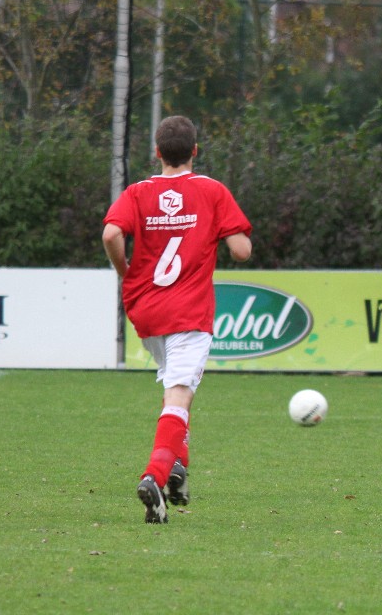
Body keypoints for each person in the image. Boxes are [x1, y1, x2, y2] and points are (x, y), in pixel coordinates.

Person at [102, 116, 252, 524]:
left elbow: (111, 234)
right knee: (179, 395)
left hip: (146, 308)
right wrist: (220, 231)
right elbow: (241, 251)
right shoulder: (212, 191)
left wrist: (125, 271)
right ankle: (154, 476)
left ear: (157, 152)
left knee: (175, 389)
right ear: (195, 151)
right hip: (188, 310)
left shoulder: (138, 192)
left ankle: (177, 470)